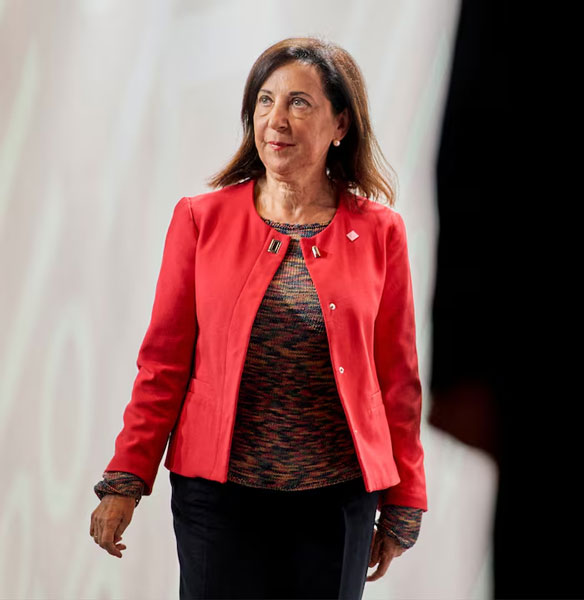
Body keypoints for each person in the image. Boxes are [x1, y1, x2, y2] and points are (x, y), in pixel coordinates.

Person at [88, 37, 427, 600]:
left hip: (336, 500)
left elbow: (398, 379)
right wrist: (127, 478)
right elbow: (163, 364)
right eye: (265, 101)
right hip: (217, 501)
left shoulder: (380, 231)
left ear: (340, 123)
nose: (277, 119)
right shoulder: (200, 220)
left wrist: (406, 499)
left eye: (299, 103)